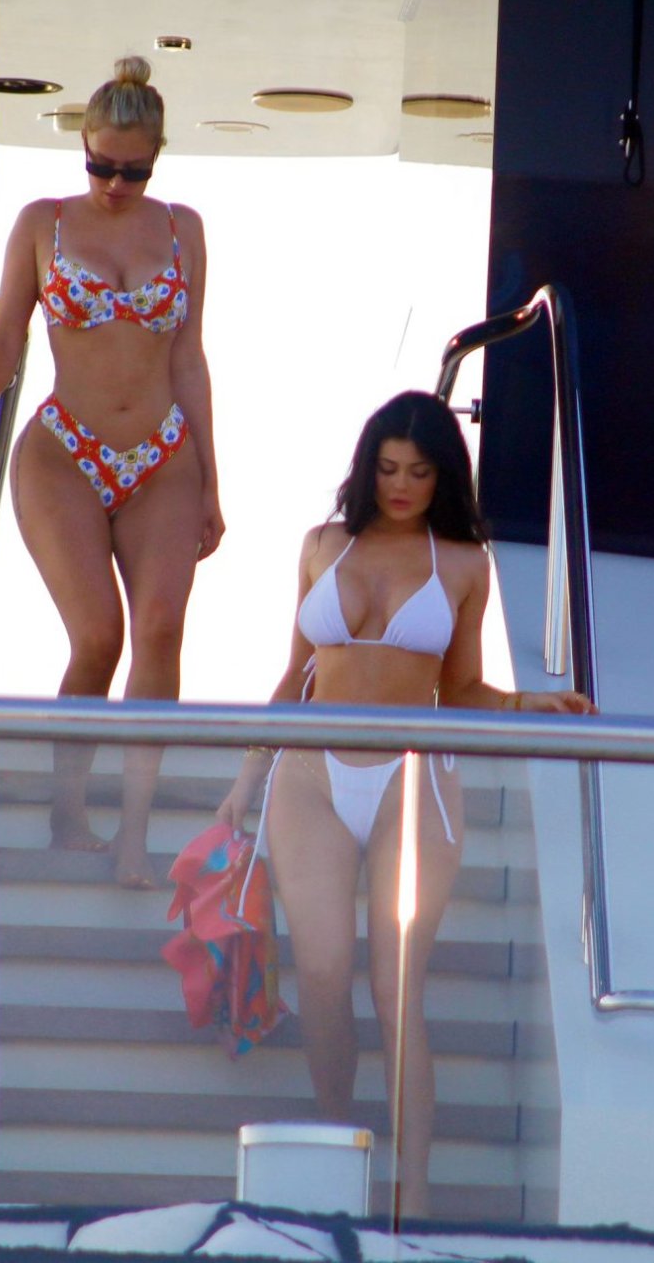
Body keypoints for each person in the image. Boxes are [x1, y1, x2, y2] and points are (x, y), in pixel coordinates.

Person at [217, 390, 595, 1218]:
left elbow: (459, 688)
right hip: (310, 771)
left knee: (396, 990)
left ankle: (412, 1199)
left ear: (443, 476)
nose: (400, 485)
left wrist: (525, 703)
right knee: (323, 974)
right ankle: (336, 1155)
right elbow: (292, 675)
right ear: (367, 467)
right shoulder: (322, 544)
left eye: (419, 472)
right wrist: (244, 781)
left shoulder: (463, 563)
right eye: (388, 468)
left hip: (412, 776)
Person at [0, 56, 223, 888]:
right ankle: (68, 808)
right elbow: (7, 332)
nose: (116, 185)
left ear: (157, 158)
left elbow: (190, 358)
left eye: (134, 170)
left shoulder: (184, 229)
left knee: (161, 629)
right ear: (82, 147)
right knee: (98, 635)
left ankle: (133, 834)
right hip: (66, 451)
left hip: (162, 454)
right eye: (102, 166)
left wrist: (212, 478)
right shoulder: (43, 222)